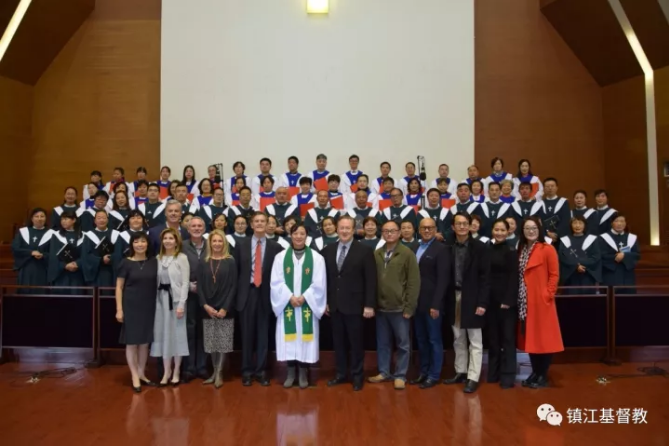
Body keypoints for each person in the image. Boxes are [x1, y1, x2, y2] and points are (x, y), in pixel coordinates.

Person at [322, 216, 377, 391]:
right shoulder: (328, 250)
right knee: (338, 343)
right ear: (336, 230)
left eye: (348, 228)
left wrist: (369, 305)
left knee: (356, 343)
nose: (344, 231)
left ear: (353, 230)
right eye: (341, 228)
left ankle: (357, 375)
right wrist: (325, 302)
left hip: (356, 306)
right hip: (335, 306)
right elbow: (325, 280)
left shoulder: (365, 251)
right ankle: (340, 374)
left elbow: (371, 280)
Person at [270, 223, 326, 389]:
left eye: (302, 233)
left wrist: (304, 297)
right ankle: (290, 372)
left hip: (307, 305)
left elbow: (319, 283)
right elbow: (276, 282)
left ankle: (303, 372)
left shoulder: (317, 258)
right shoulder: (280, 258)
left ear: (306, 236)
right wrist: (289, 297)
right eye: (296, 233)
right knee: (290, 339)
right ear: (291, 235)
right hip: (287, 305)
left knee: (305, 339)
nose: (299, 237)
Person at [234, 212, 284, 386]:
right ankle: (247, 371)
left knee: (264, 335)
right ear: (251, 224)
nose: (260, 224)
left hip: (266, 294)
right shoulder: (241, 245)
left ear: (268, 224)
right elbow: (237, 273)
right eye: (257, 221)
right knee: (247, 335)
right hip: (246, 294)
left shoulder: (276, 247)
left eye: (264, 221)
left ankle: (262, 371)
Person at [369, 220, 420, 390]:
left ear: (399, 233)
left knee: (403, 344)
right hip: (381, 307)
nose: (389, 234)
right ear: (382, 233)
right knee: (382, 343)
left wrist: (409, 307)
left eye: (392, 231)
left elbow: (414, 282)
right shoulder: (376, 253)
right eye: (386, 231)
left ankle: (400, 375)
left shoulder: (407, 253)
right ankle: (384, 372)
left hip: (400, 308)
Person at [443, 212, 490, 394]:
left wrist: (482, 303)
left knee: (475, 341)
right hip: (453, 297)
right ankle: (460, 371)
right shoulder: (448, 247)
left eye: (465, 224)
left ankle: (473, 376)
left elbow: (486, 278)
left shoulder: (480, 248)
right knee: (458, 338)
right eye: (458, 224)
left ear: (470, 226)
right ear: (453, 227)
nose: (462, 227)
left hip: (473, 299)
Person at [517, 217, 563, 389]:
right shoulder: (521, 249)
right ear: (522, 231)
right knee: (532, 338)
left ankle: (543, 374)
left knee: (545, 339)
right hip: (525, 301)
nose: (531, 231)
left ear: (539, 230)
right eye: (527, 228)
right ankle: (535, 372)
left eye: (534, 228)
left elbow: (554, 275)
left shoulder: (547, 249)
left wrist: (548, 294)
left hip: (541, 301)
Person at [115, 232, 158, 393]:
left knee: (145, 343)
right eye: (136, 242)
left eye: (143, 241)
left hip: (149, 306)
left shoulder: (154, 262)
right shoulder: (125, 263)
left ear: (147, 244)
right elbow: (119, 287)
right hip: (131, 306)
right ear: (132, 244)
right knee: (132, 342)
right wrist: (119, 309)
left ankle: (142, 374)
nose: (140, 244)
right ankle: (134, 375)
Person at [197, 229, 237, 389]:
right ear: (210, 243)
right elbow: (199, 285)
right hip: (208, 307)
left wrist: (225, 308)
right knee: (212, 342)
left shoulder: (230, 261)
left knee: (223, 342)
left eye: (220, 241)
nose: (217, 244)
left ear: (224, 243)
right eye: (214, 241)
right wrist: (205, 305)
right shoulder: (203, 261)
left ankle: (220, 373)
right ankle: (213, 372)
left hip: (224, 307)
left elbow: (234, 286)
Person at [411, 218, 449, 389]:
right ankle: (423, 372)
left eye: (430, 228)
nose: (427, 230)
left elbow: (443, 280)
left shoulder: (441, 249)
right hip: (417, 303)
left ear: (435, 230)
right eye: (424, 228)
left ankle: (434, 374)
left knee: (434, 339)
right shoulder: (415, 247)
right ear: (419, 229)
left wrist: (436, 305)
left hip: (432, 305)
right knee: (421, 339)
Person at [152, 227, 190, 386]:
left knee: (177, 335)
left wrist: (181, 304)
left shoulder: (181, 258)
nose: (168, 241)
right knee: (163, 335)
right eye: (165, 238)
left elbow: (185, 283)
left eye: (171, 238)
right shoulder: (157, 258)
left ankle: (176, 371)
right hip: (161, 301)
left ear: (176, 241)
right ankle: (166, 371)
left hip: (176, 302)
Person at [486, 219, 518, 389]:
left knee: (507, 339)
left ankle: (508, 375)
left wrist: (508, 300)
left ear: (508, 232)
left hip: (506, 302)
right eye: (496, 229)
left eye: (502, 230)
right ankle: (493, 373)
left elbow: (514, 277)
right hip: (490, 301)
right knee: (493, 339)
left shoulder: (511, 250)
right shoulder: (488, 248)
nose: (499, 233)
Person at [181, 217, 209, 382]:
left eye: (200, 226)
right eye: (194, 226)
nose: (197, 228)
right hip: (188, 295)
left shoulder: (211, 244)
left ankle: (202, 367)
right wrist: (188, 285)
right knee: (189, 331)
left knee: (205, 331)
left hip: (208, 296)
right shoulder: (182, 246)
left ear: (204, 228)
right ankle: (189, 368)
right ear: (188, 228)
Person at [11, 208, 52, 293]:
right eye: (36, 216)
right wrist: (30, 252)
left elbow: (54, 253)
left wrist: (43, 255)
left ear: (45, 218)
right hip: (26, 267)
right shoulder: (23, 232)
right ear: (32, 219)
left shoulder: (52, 233)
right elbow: (15, 248)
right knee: (25, 292)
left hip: (43, 268)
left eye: (42, 216)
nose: (39, 218)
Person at [558, 217, 601, 295]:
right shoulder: (565, 240)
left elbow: (596, 257)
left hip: (587, 275)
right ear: (571, 225)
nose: (577, 226)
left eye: (580, 223)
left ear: (585, 225)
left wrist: (581, 265)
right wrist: (576, 266)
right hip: (570, 276)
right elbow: (562, 257)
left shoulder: (592, 239)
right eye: (575, 223)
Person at [47, 211, 85, 293]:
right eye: (62, 219)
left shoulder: (83, 236)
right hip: (61, 273)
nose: (63, 221)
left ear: (74, 220)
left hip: (77, 274)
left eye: (66, 219)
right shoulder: (56, 236)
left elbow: (85, 254)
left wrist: (77, 263)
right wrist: (64, 265)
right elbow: (53, 255)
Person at [600, 214, 639, 293]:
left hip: (627, 275)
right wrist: (616, 257)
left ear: (625, 223)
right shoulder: (603, 238)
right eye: (616, 221)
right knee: (611, 300)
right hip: (610, 274)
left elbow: (636, 255)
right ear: (612, 223)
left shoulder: (631, 238)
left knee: (627, 301)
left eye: (622, 221)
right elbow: (601, 255)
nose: (619, 224)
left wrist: (624, 255)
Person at [81, 210, 118, 292]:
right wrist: (100, 260)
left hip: (112, 272)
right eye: (99, 218)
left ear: (107, 220)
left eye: (104, 218)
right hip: (96, 273)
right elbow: (86, 255)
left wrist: (112, 257)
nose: (101, 220)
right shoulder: (89, 235)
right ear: (95, 220)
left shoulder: (115, 234)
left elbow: (120, 252)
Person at [542, 178, 571, 244]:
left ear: (557, 187)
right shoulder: (540, 204)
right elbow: (540, 221)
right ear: (544, 188)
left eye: (552, 186)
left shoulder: (564, 202)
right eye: (547, 186)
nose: (550, 188)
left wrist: (556, 234)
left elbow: (565, 221)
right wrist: (547, 233)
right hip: (545, 238)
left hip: (560, 238)